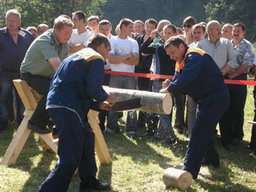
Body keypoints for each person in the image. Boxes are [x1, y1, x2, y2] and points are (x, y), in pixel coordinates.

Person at [39, 34, 115, 192]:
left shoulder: (75, 56)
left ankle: (88, 182)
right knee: (70, 157)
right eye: (108, 49)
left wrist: (98, 103)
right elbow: (93, 88)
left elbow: (78, 86)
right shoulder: (96, 58)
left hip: (59, 104)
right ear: (101, 46)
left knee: (87, 138)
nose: (108, 54)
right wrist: (107, 96)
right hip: (69, 107)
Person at [160, 36, 229, 179]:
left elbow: (187, 78)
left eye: (173, 53)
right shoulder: (181, 61)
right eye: (169, 55)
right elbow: (179, 80)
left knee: (197, 133)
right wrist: (170, 85)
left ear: (181, 46)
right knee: (203, 130)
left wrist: (169, 89)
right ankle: (212, 160)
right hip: (205, 100)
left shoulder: (194, 56)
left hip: (215, 99)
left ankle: (189, 172)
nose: (171, 57)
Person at [20, 16, 73, 134]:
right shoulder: (45, 41)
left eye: (70, 33)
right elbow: (57, 66)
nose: (69, 36)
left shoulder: (63, 42)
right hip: (30, 74)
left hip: (46, 75)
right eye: (66, 33)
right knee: (53, 91)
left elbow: (63, 65)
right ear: (56, 31)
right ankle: (35, 123)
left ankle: (53, 123)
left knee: (64, 91)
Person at [196, 20, 238, 151]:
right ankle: (206, 142)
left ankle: (227, 141)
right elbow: (196, 61)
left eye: (220, 29)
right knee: (206, 110)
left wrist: (222, 72)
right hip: (206, 81)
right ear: (208, 31)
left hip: (223, 80)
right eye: (217, 29)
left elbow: (234, 60)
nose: (220, 31)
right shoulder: (200, 45)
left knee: (226, 111)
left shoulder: (227, 43)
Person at [140, 24, 177, 143]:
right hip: (158, 80)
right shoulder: (158, 46)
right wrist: (151, 37)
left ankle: (169, 136)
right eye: (164, 32)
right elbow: (143, 50)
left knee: (165, 109)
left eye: (169, 33)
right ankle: (162, 134)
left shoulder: (177, 47)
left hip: (172, 80)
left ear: (175, 35)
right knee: (160, 109)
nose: (166, 35)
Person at [221, 23, 254, 147]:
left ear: (243, 32)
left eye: (238, 31)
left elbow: (247, 64)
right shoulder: (227, 43)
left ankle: (237, 135)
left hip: (239, 79)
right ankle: (226, 136)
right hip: (225, 78)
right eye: (234, 30)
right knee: (226, 108)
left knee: (237, 109)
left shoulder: (247, 45)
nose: (235, 33)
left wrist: (232, 76)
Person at [0, 9, 34, 130]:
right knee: (3, 98)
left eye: (14, 20)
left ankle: (22, 124)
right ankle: (3, 122)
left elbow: (33, 52)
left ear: (19, 21)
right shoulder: (0, 34)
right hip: (4, 72)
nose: (11, 23)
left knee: (22, 99)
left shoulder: (27, 35)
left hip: (22, 73)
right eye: (9, 20)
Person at [107, 18, 139, 138]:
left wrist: (119, 58)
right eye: (131, 27)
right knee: (112, 101)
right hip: (115, 74)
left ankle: (131, 129)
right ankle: (111, 127)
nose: (132, 29)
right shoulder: (112, 41)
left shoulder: (133, 42)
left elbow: (135, 61)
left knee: (132, 102)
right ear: (124, 27)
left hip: (130, 76)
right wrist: (128, 56)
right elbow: (111, 59)